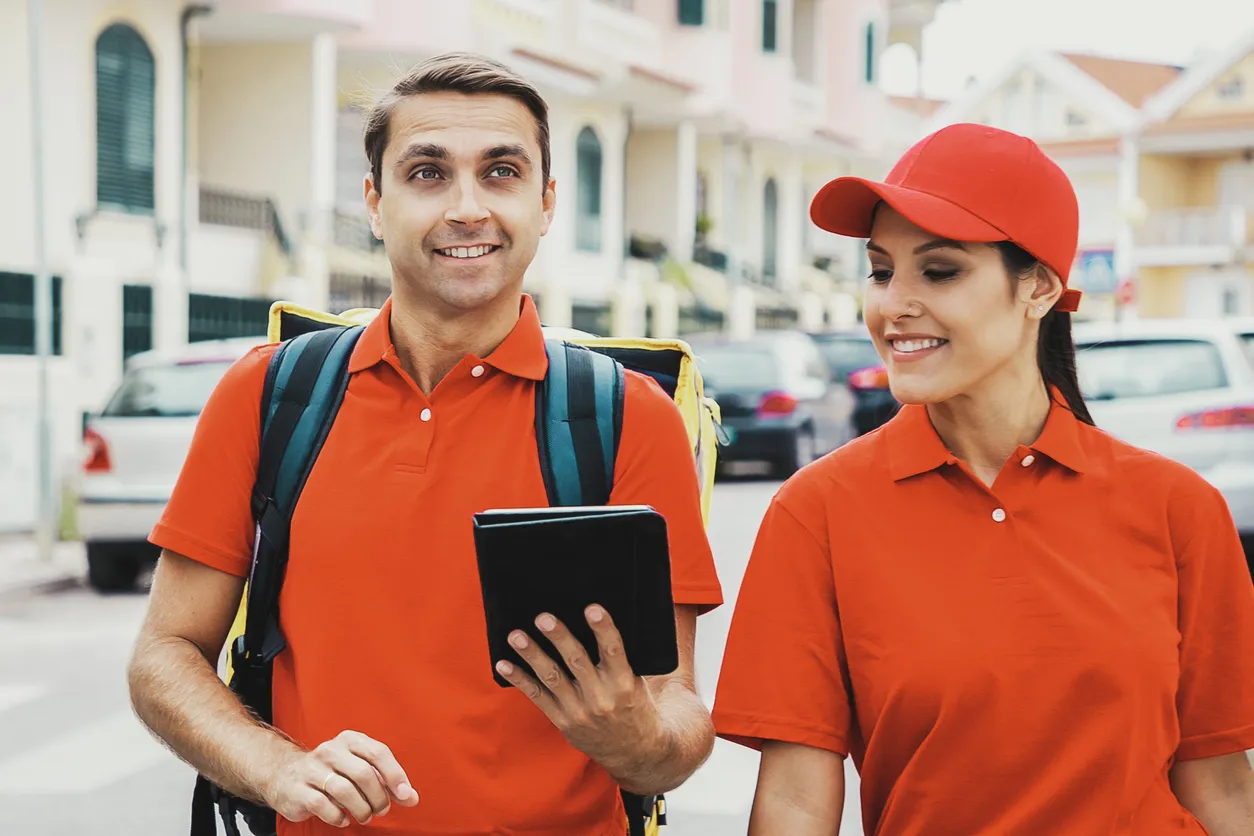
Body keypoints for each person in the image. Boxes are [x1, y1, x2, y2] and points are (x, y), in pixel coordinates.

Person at [127, 52, 724, 835]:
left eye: (502, 172)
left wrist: (631, 740)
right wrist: (275, 765)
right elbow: (165, 653)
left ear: (546, 204)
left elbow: (677, 725)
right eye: (429, 173)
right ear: (376, 202)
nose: (468, 207)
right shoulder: (271, 395)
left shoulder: (625, 417)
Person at [710, 123, 1254, 834]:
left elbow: (1218, 783)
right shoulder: (818, 513)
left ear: (1038, 289)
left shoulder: (1179, 509)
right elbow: (794, 802)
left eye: (939, 272)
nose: (890, 304)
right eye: (880, 270)